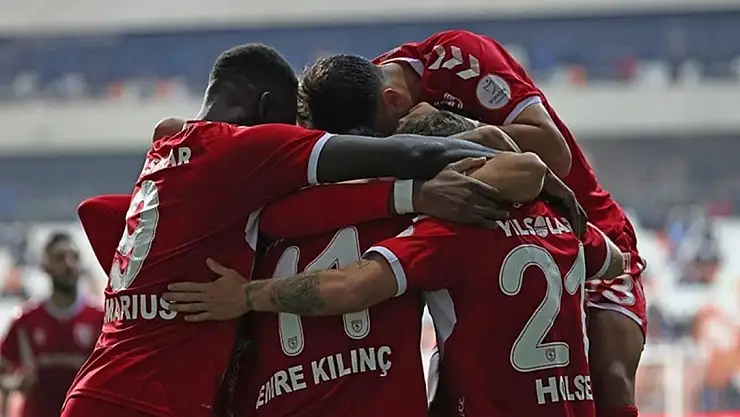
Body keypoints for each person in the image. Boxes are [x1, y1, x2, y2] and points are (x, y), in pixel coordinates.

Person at [62, 43, 522, 417]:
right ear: (266, 108)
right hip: (150, 399)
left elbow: (95, 211)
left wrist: (151, 293)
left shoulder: (190, 175)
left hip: (111, 383)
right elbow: (414, 159)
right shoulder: (246, 155)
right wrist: (436, 181)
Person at [298, 33, 646, 417]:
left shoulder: (458, 59)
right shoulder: (348, 95)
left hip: (577, 224)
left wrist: (454, 130)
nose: (390, 148)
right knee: (461, 383)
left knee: (611, 381)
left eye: (388, 136)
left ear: (394, 100)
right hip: (483, 229)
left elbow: (555, 153)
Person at [163, 151, 625, 417]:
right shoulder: (564, 227)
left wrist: (247, 295)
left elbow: (350, 289)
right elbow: (615, 260)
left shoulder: (445, 233)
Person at [0, 232, 102, 417]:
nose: (68, 264)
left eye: (74, 257)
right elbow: (4, 373)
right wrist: (16, 383)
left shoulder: (101, 319)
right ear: (45, 266)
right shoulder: (26, 320)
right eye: (60, 258)